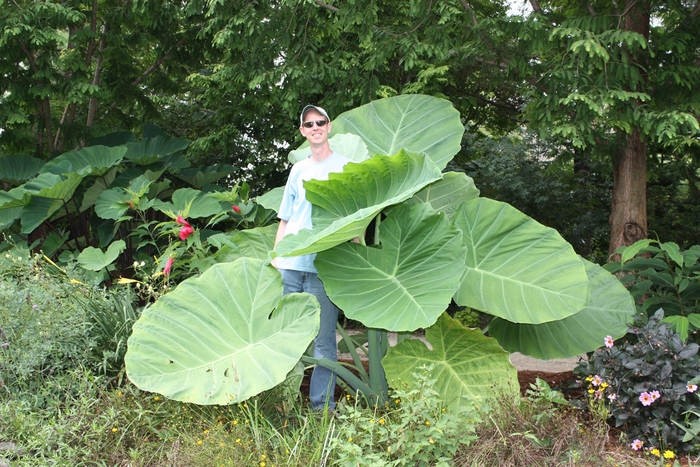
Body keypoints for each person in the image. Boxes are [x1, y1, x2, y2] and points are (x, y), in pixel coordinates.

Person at [273, 105, 350, 410]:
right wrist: (277, 257)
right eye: (309, 123)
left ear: (329, 127)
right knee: (286, 336)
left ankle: (322, 409)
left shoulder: (345, 166)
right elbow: (285, 218)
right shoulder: (298, 169)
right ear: (303, 131)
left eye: (321, 122)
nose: (315, 126)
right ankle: (282, 402)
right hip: (291, 264)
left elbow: (353, 214)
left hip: (323, 268)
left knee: (323, 342)